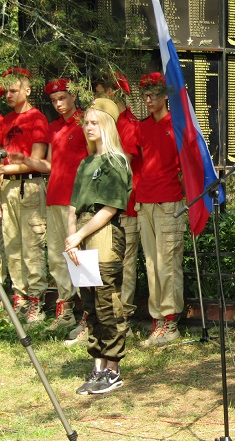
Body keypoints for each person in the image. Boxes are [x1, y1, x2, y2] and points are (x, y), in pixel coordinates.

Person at [10, 78, 90, 332]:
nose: (58, 104)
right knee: (56, 257)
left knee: (81, 257)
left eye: (62, 98)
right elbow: (49, 165)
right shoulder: (54, 127)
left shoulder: (85, 123)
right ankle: (65, 310)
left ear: (73, 97)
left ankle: (89, 314)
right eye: (54, 100)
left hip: (78, 200)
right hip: (54, 197)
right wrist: (26, 160)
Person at [65, 98, 131, 395]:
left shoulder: (116, 161)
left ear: (107, 124)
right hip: (81, 233)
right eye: (86, 123)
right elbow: (72, 207)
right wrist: (71, 240)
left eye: (94, 122)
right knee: (89, 303)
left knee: (107, 302)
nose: (88, 127)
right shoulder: (85, 162)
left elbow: (109, 209)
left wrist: (78, 237)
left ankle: (113, 370)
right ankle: (98, 367)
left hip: (103, 234)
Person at [136, 72, 186, 347]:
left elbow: (187, 168)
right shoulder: (142, 128)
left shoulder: (176, 125)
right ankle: (157, 321)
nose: (149, 99)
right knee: (152, 263)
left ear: (166, 95)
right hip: (145, 203)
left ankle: (170, 322)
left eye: (154, 93)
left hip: (169, 203)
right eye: (145, 94)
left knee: (168, 263)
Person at [0, 68, 49, 324]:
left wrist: (7, 168)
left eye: (14, 90)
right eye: (6, 91)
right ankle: (19, 298)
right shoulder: (6, 120)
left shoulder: (37, 118)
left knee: (32, 246)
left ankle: (36, 302)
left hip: (29, 187)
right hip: (7, 187)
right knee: (12, 246)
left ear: (27, 90)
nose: (8, 95)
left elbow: (38, 160)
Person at [94, 72, 141, 336]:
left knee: (123, 264)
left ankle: (122, 317)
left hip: (126, 206)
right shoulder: (108, 124)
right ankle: (105, 316)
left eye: (99, 92)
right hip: (105, 207)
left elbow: (121, 165)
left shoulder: (128, 124)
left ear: (111, 93)